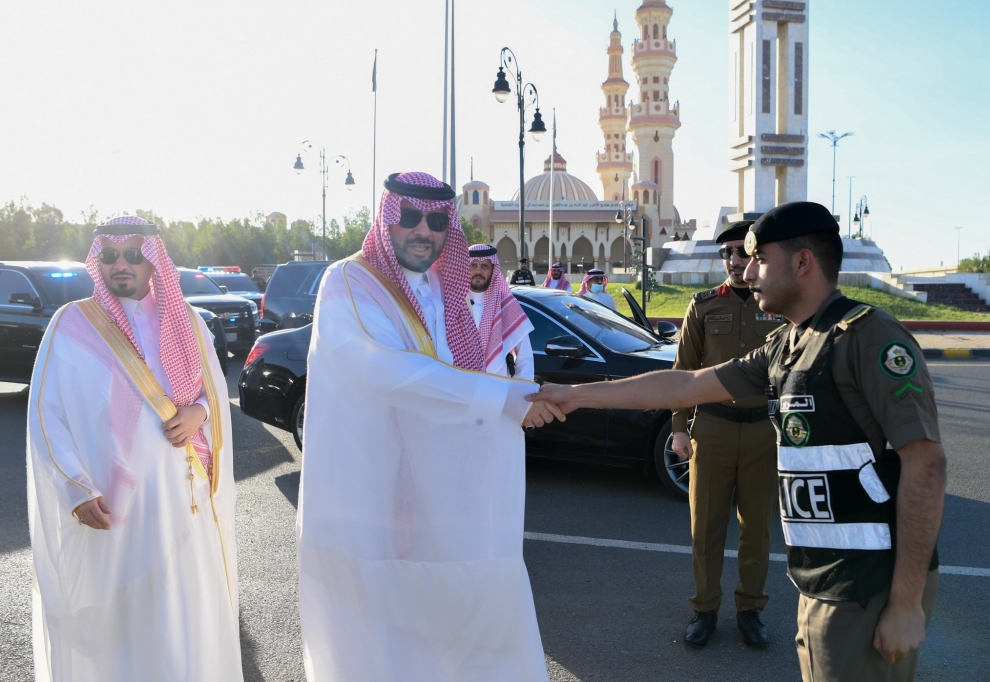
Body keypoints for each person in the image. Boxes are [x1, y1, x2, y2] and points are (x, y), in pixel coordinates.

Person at [531, 201, 945, 682]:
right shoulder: (787, 344)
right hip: (821, 578)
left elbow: (926, 465)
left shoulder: (866, 337)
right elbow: (684, 385)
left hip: (869, 580)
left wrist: (906, 603)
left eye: (760, 259)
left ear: (802, 262)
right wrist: (572, 395)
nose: (748, 272)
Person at [298, 172, 561, 681]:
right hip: (367, 502)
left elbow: (465, 376)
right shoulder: (350, 283)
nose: (424, 230)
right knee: (377, 642)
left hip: (443, 499)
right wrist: (507, 399)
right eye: (410, 217)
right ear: (387, 218)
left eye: (438, 220)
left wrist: (516, 395)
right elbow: (385, 371)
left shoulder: (447, 289)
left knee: (454, 629)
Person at [27, 215, 242, 681]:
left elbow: (215, 389)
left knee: (182, 616)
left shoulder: (185, 320)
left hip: (183, 502)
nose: (120, 265)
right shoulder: (72, 323)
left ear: (153, 262)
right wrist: (75, 490)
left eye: (133, 255)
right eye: (109, 256)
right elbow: (46, 415)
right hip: (114, 506)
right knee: (121, 626)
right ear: (97, 262)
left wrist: (199, 412)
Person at [671, 220, 783, 647]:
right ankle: (704, 609)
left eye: (741, 252)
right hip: (713, 430)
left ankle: (751, 610)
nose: (734, 261)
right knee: (706, 527)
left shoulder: (777, 306)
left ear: (755, 256)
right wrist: (680, 429)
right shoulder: (702, 306)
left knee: (757, 529)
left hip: (761, 433)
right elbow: (683, 373)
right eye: (726, 254)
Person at [469, 243, 535, 379]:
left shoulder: (506, 305)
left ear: (493, 269)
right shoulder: (453, 304)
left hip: (496, 388)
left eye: (484, 266)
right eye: (473, 265)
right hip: (460, 388)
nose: (478, 271)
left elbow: (524, 358)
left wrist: (521, 395)